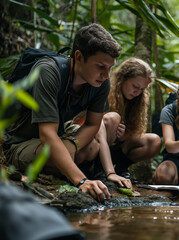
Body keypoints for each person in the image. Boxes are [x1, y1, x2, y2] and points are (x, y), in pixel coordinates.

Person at [3, 23, 121, 203]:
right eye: (100, 66)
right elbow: (47, 134)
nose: (106, 74)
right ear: (79, 56)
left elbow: (93, 124)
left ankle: (64, 165)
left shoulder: (101, 82)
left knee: (92, 147)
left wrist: (72, 144)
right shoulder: (49, 71)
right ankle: (68, 169)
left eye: (110, 67)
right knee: (51, 153)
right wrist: (81, 180)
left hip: (59, 138)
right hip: (21, 143)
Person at [81, 58, 162, 187]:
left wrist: (124, 134)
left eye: (142, 89)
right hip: (94, 145)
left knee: (154, 141)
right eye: (135, 86)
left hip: (116, 147)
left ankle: (121, 169)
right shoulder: (104, 89)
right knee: (113, 118)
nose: (137, 92)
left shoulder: (137, 100)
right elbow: (93, 125)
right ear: (122, 79)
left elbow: (134, 132)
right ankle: (98, 170)